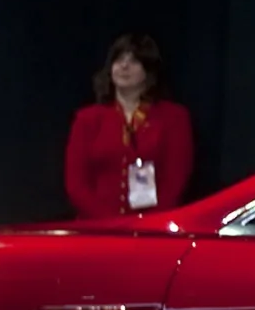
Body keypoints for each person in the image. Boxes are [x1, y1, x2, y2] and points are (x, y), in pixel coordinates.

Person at [64, 33, 196, 219]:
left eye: (134, 61)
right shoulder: (87, 119)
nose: (124, 66)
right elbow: (76, 184)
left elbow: (176, 179)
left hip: (152, 226)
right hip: (97, 225)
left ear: (149, 71)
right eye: (119, 60)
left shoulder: (174, 117)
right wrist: (111, 222)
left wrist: (145, 223)